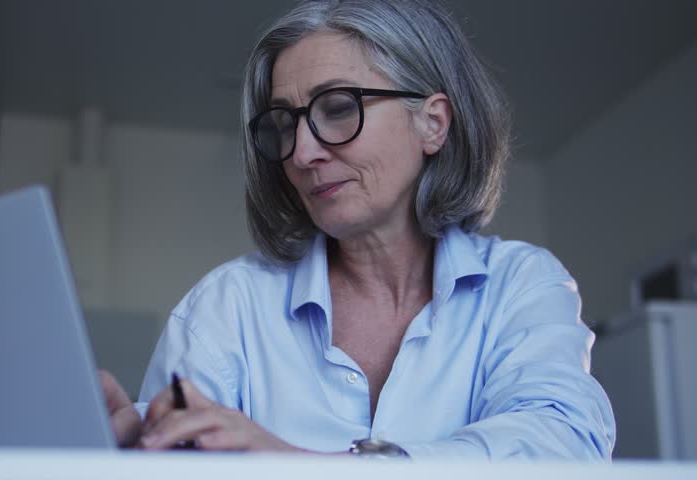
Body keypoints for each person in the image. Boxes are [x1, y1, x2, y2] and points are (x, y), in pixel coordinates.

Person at [101, 0, 616, 460]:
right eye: (284, 124)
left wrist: (307, 466)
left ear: (433, 123)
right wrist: (120, 453)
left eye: (339, 108)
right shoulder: (225, 307)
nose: (303, 153)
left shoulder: (521, 285)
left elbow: (564, 443)